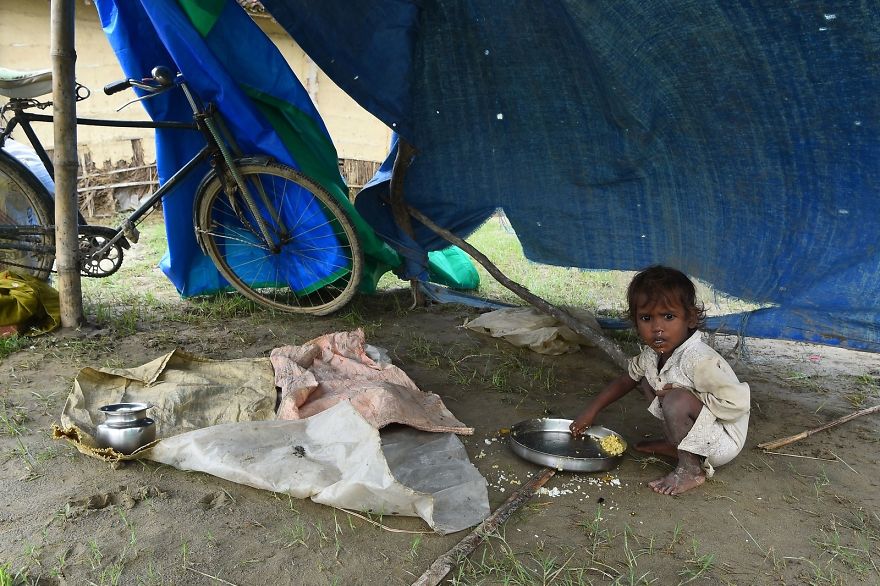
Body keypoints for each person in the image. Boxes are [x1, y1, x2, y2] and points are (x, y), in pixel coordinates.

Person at [570, 265, 750, 495]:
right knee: (647, 378)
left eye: (668, 316)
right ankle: (678, 446)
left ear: (691, 318)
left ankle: (691, 470)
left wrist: (689, 396)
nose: (657, 328)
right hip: (700, 429)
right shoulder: (651, 356)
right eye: (646, 318)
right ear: (636, 322)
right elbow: (626, 380)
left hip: (722, 442)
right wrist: (591, 412)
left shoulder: (700, 360)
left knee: (676, 399)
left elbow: (738, 404)